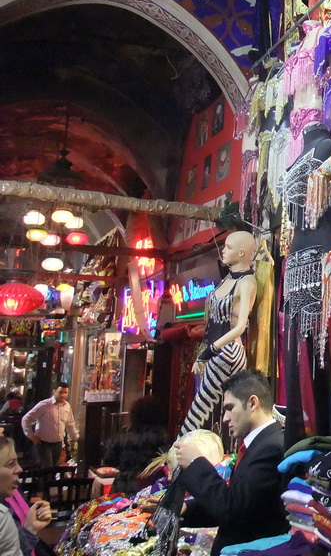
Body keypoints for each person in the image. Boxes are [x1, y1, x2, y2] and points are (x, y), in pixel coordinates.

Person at [174, 370, 288, 556]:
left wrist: (196, 463)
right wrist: (187, 508)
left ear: (252, 403)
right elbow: (240, 502)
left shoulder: (271, 449)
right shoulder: (259, 445)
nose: (225, 418)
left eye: (229, 408)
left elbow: (233, 511)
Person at [178, 231, 255, 436]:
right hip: (214, 351)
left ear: (241, 252)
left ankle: (188, 451)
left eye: (228, 247)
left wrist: (209, 351)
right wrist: (204, 352)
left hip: (228, 352)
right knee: (209, 409)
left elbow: (240, 327)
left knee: (202, 410)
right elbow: (211, 322)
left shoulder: (246, 283)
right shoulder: (226, 280)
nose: (223, 250)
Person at [101, 396, 169, 495]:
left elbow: (109, 459)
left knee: (119, 508)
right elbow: (167, 460)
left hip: (122, 483)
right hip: (146, 484)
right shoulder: (159, 435)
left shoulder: (124, 432)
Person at [0, 437, 52, 555]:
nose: (19, 469)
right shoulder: (2, 516)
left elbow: (17, 547)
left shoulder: (12, 491)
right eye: (10, 464)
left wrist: (31, 528)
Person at [21, 384, 77, 469]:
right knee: (47, 469)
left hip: (58, 443)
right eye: (60, 392)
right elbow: (26, 419)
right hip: (44, 443)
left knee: (55, 469)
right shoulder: (45, 404)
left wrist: (77, 439)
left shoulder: (67, 406)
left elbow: (70, 424)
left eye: (65, 392)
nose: (63, 395)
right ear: (54, 391)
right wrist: (31, 435)